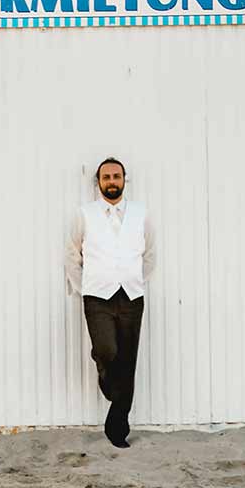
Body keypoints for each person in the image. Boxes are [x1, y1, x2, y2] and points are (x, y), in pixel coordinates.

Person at [66, 157, 155, 448]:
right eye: (107, 177)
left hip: (131, 296)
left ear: (124, 180)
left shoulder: (141, 214)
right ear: (99, 182)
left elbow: (150, 255)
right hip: (97, 298)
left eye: (116, 176)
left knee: (128, 361)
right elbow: (72, 255)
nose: (112, 181)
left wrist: (136, 282)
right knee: (106, 350)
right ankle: (104, 372)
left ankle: (118, 429)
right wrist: (85, 289)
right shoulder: (85, 214)